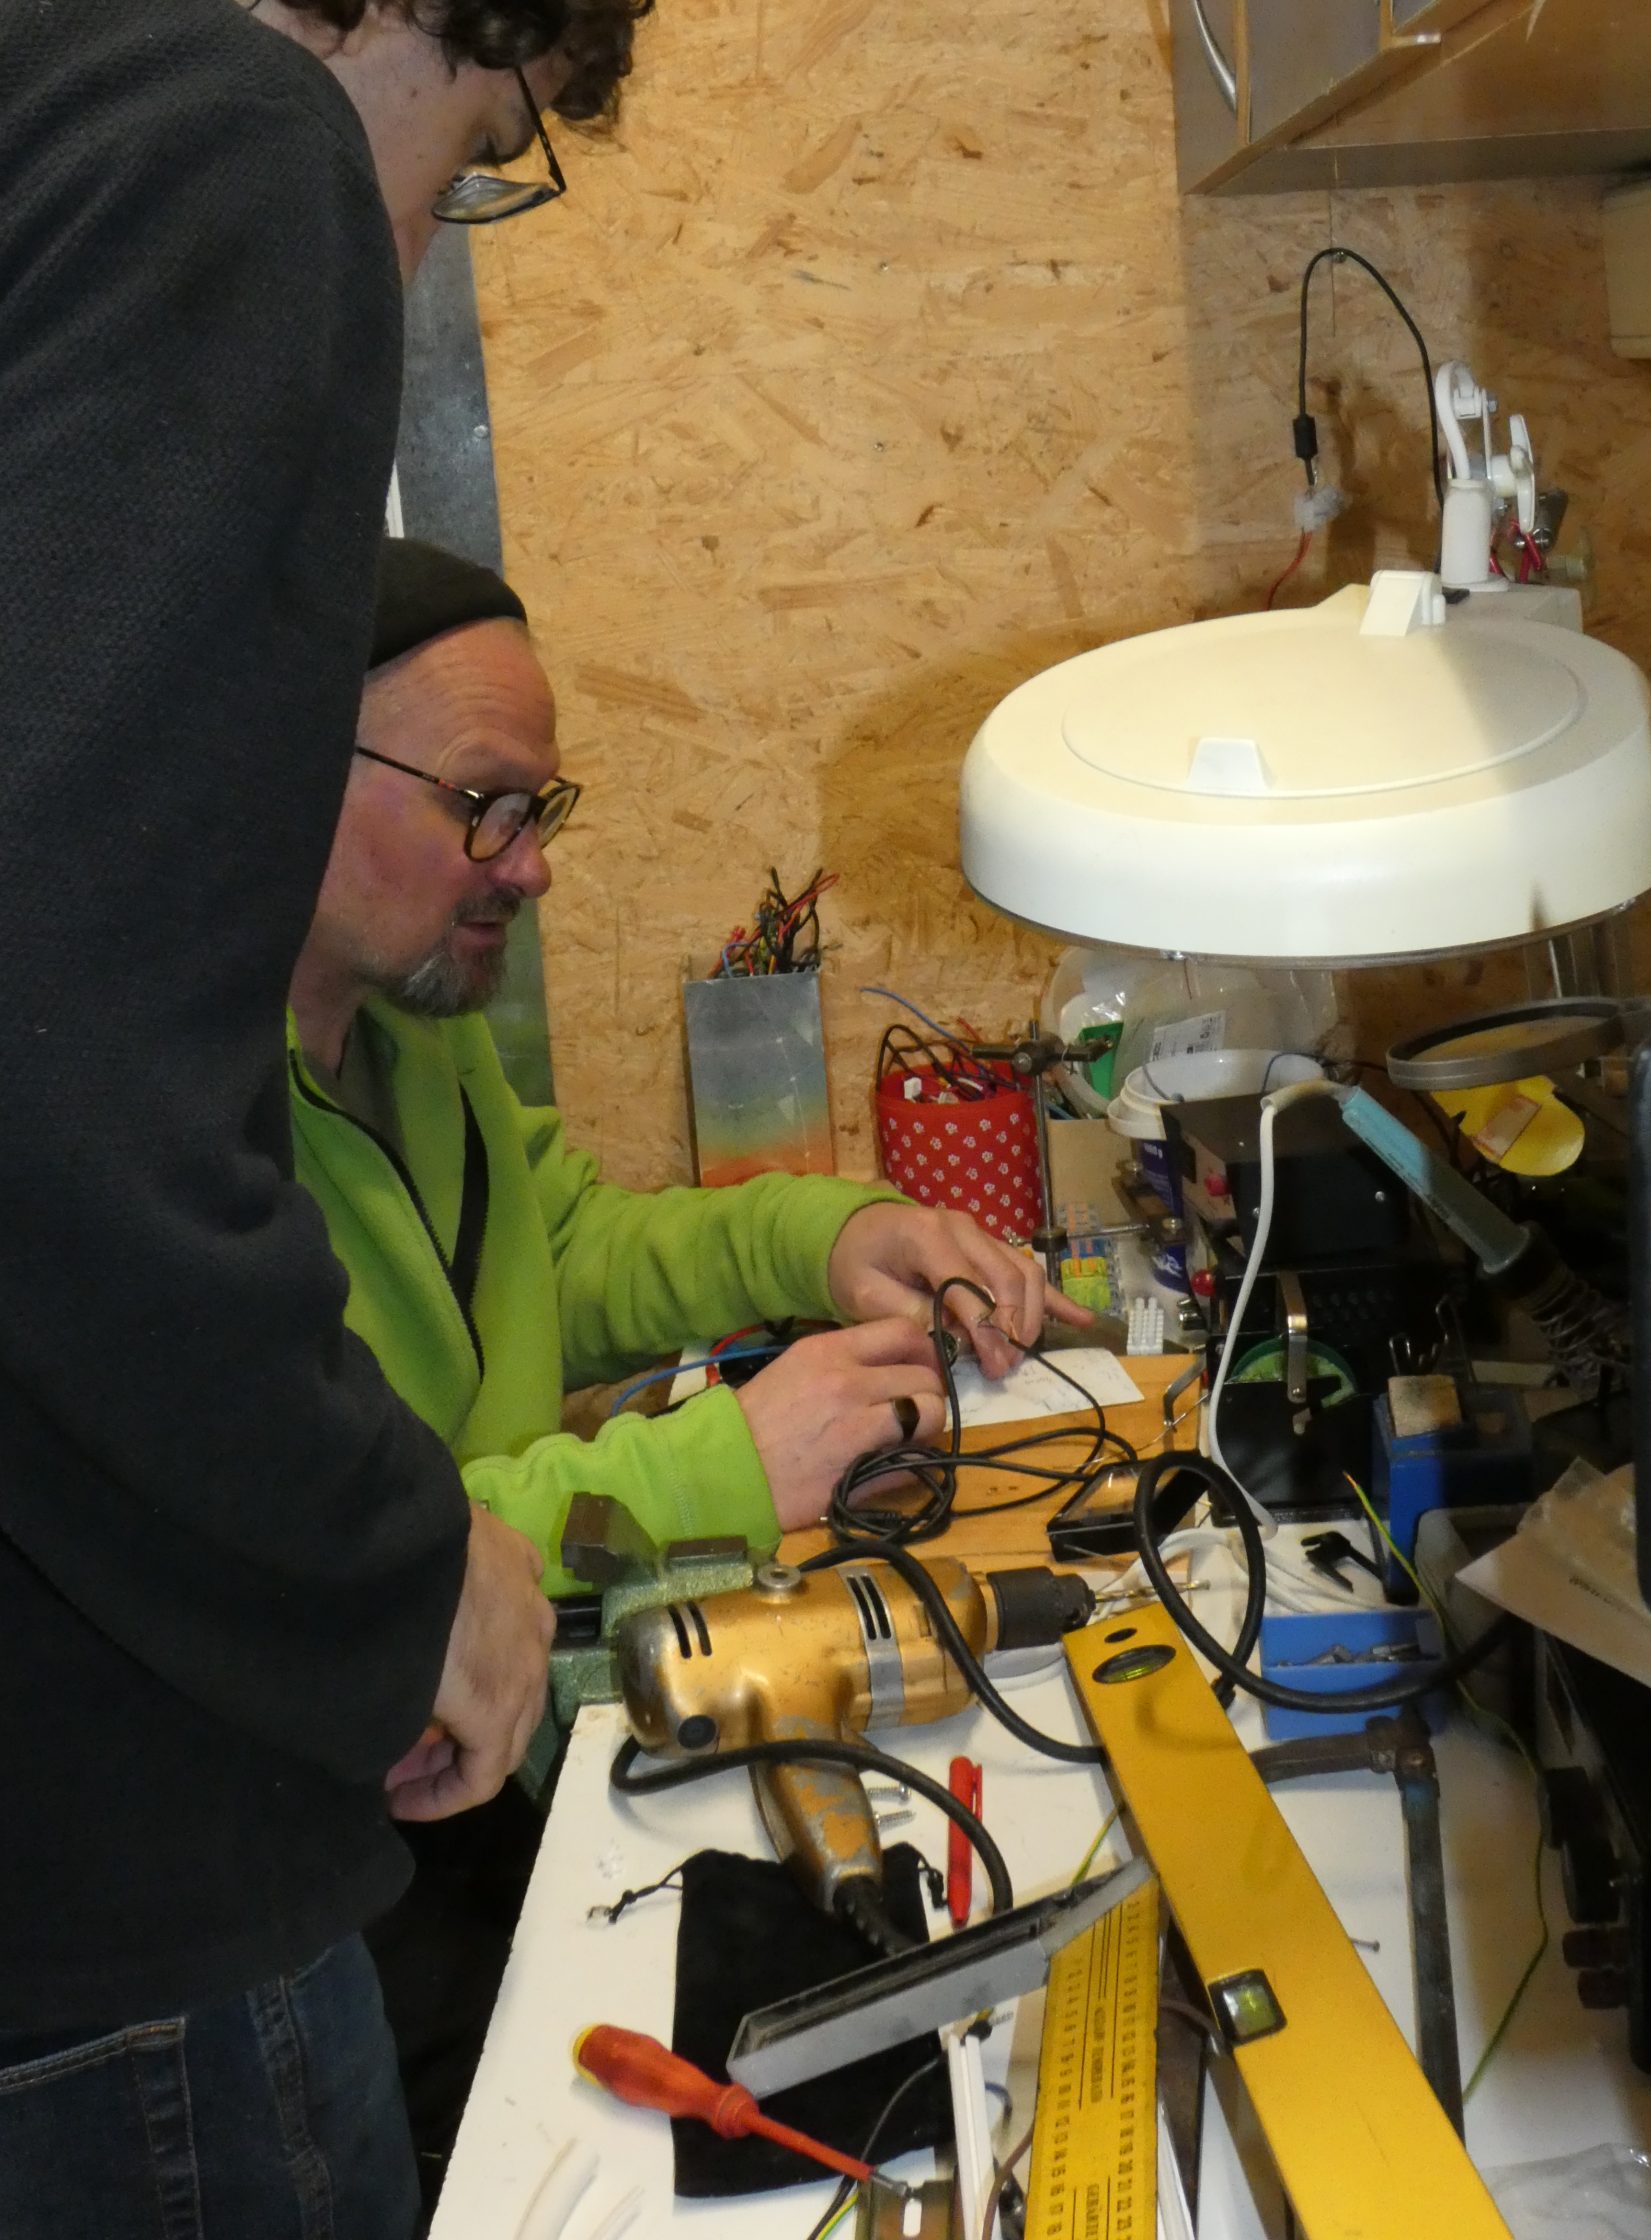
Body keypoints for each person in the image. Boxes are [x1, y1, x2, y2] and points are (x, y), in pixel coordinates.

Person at [0, 0, 658, 2233]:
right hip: (102, 1897)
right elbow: (57, 1082)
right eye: (475, 156)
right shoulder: (204, 128)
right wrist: (397, 1566)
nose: (406, 247)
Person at [288, 537, 1083, 2200]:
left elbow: (566, 1253)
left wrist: (837, 1234)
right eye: (487, 806)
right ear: (285, 770)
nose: (530, 867)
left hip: (512, 1747)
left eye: (542, 812)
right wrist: (724, 1459)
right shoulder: (177, 1148)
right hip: (347, 1860)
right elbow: (349, 1536)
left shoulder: (414, 1029)